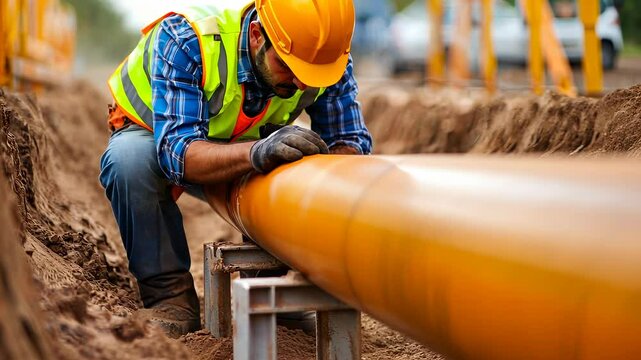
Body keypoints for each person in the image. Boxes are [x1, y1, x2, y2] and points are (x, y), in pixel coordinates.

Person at [99, 0, 372, 338]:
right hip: (161, 138)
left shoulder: (321, 60)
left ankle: (271, 287)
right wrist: (256, 153)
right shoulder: (188, 39)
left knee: (300, 168)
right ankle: (169, 296)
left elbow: (349, 147)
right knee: (128, 161)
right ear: (257, 35)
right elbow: (178, 155)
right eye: (289, 68)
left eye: (312, 74)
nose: (303, 84)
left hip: (246, 143)